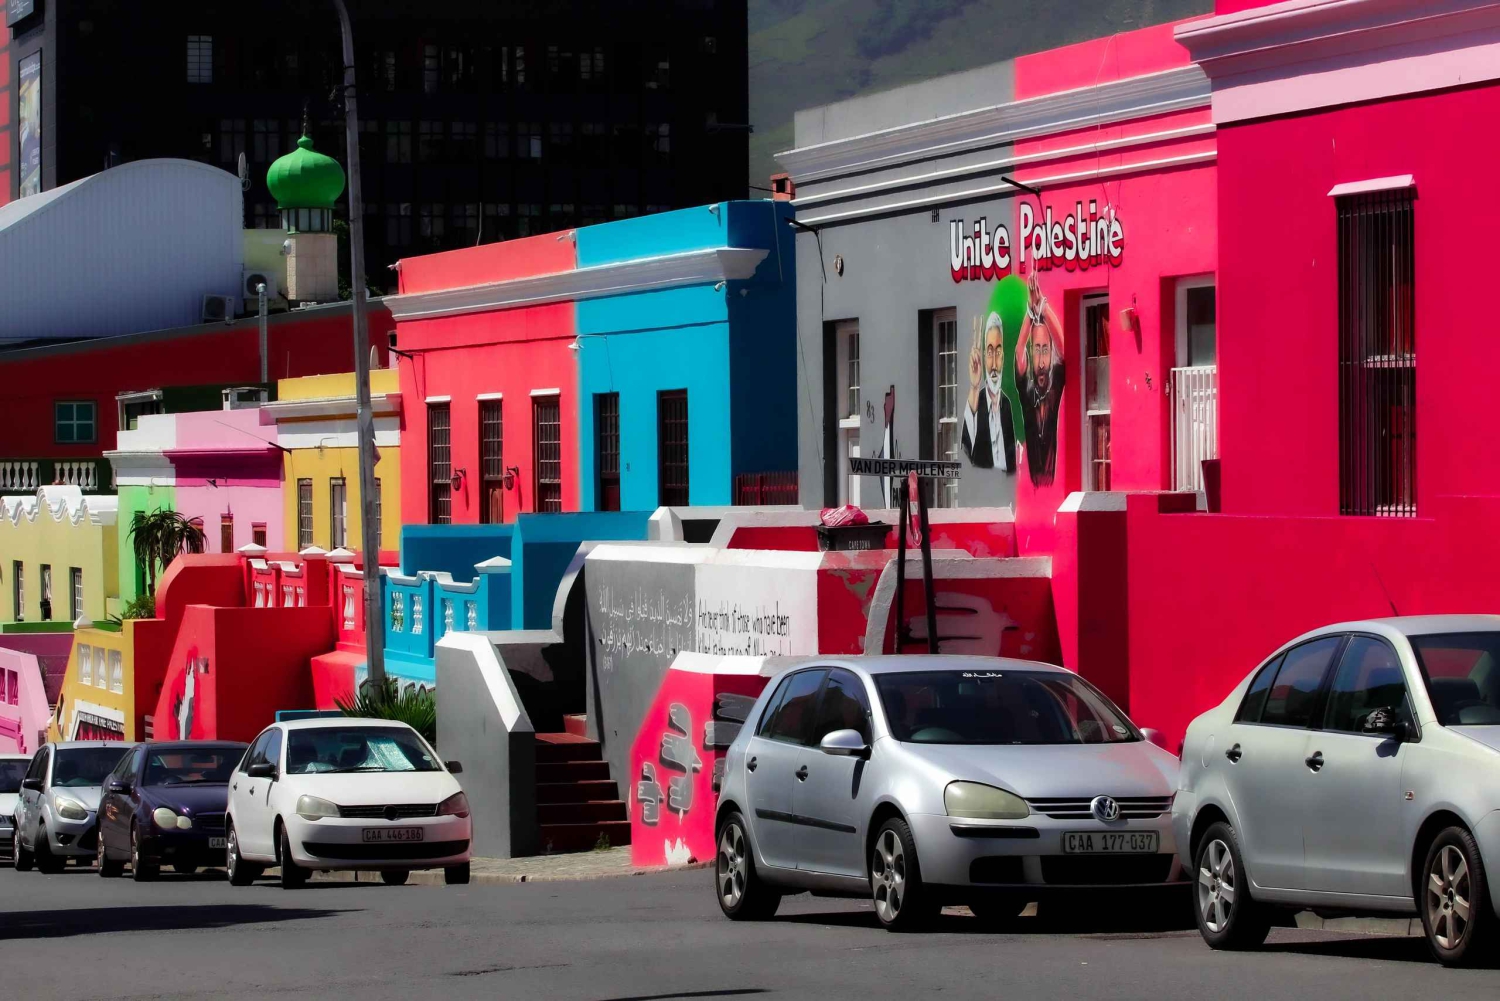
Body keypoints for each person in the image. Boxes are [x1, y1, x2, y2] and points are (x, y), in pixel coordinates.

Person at [1015, 270, 1066, 486]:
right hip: (1035, 482)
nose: (1042, 362)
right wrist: (1030, 310)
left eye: (1045, 349)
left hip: (1051, 480)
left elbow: (1063, 348)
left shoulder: (1055, 386)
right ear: (1031, 352)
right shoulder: (1027, 392)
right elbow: (1019, 352)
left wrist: (1042, 306)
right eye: (1037, 349)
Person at [962, 312, 1016, 471]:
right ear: (984, 356)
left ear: (1003, 358)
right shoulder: (976, 401)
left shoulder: (1007, 406)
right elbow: (966, 448)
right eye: (990, 352)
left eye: (997, 353)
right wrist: (974, 386)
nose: (993, 365)